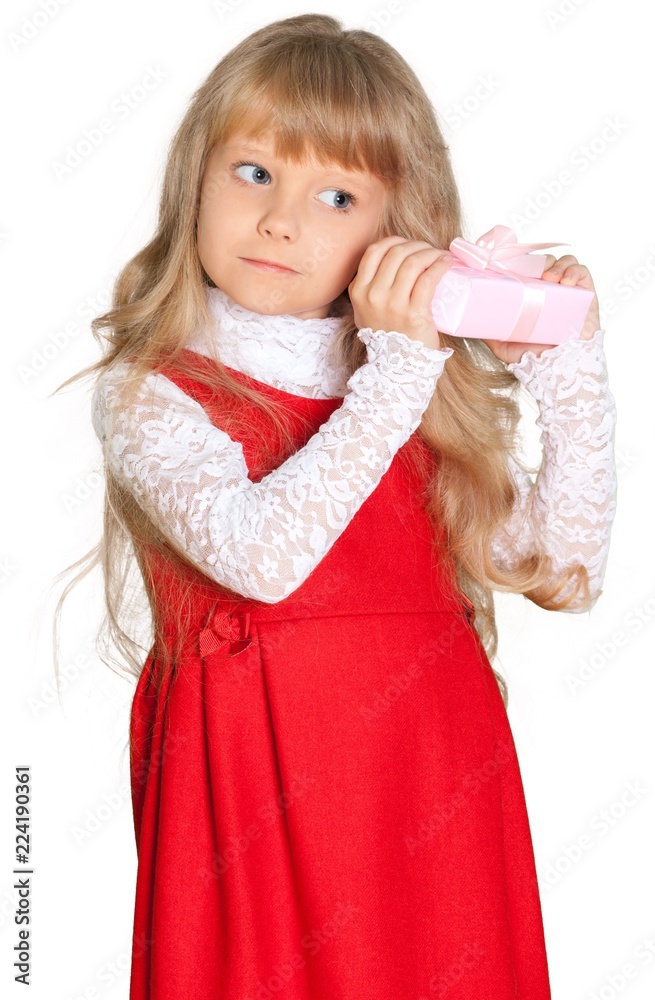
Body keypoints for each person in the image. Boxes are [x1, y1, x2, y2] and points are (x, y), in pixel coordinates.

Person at [54, 12, 617, 999]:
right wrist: (397, 373)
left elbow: (563, 569)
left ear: (391, 230)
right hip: (257, 785)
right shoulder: (153, 389)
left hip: (426, 773)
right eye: (254, 171)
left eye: (337, 192)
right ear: (195, 175)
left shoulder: (408, 383)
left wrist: (571, 385)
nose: (282, 219)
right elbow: (263, 556)